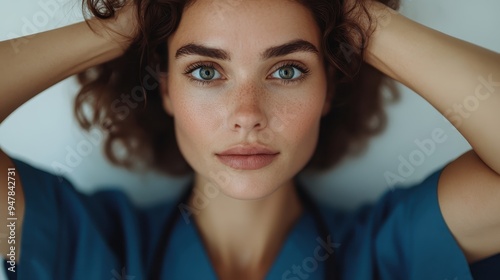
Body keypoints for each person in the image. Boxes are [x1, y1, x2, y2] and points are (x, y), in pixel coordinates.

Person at [0, 0, 499, 279]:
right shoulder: (79, 244)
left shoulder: (391, 253)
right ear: (165, 88)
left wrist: (354, 14)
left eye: (286, 69)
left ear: (329, 86)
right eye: (204, 70)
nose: (247, 116)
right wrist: (124, 25)